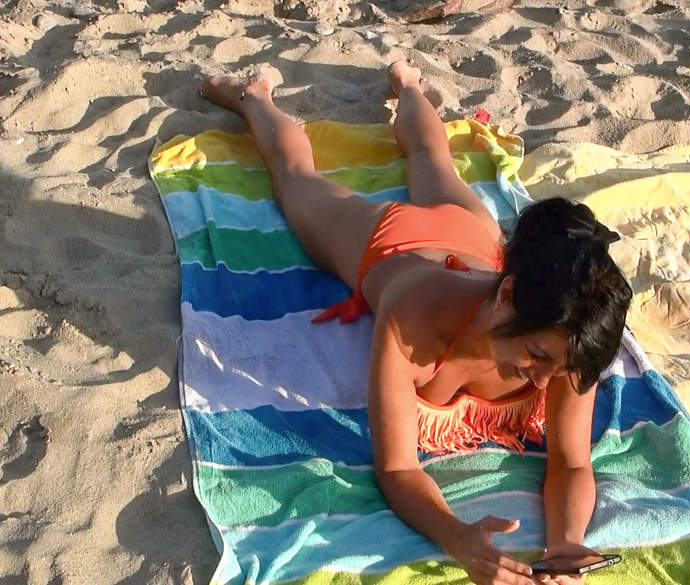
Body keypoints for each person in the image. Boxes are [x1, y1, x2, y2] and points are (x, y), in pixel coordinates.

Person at [201, 59, 633, 585]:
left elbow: (572, 462)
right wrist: (456, 536)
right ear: (508, 295)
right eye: (537, 358)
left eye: (554, 370)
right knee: (297, 182)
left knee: (433, 159)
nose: (544, 383)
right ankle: (255, 97)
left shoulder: (569, 337)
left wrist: (565, 544)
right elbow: (398, 468)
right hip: (392, 244)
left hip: (474, 239)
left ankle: (407, 84)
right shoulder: (410, 320)